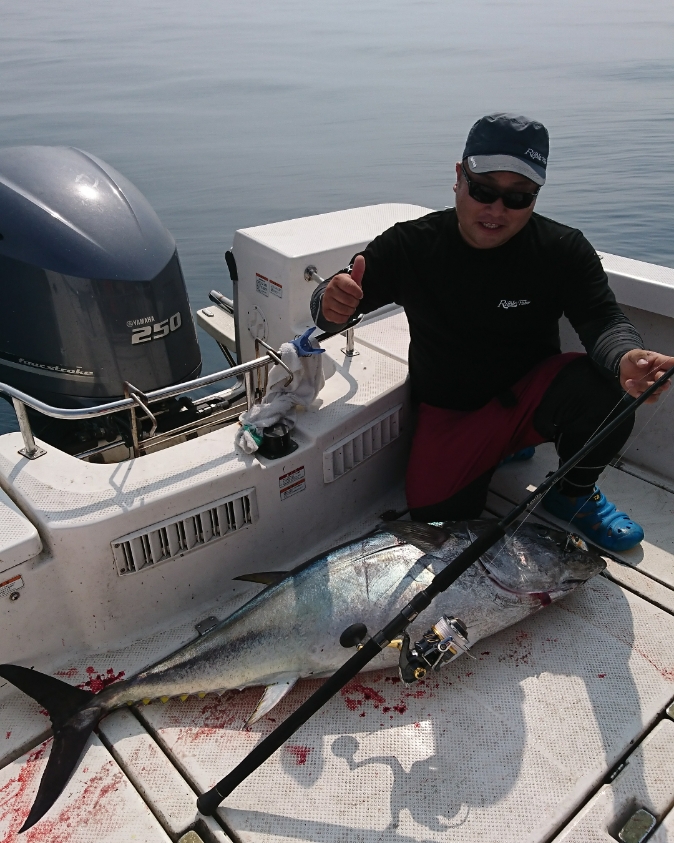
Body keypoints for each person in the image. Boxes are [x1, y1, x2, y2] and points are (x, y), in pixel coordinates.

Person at [310, 113, 674, 553]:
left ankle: (572, 494)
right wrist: (330, 306)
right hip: (453, 413)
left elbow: (602, 319)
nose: (497, 210)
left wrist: (625, 357)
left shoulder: (562, 249)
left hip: (532, 397)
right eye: (483, 190)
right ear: (459, 178)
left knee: (610, 388)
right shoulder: (411, 245)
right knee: (437, 526)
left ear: (535, 197)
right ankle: (502, 452)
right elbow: (333, 305)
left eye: (518, 197)